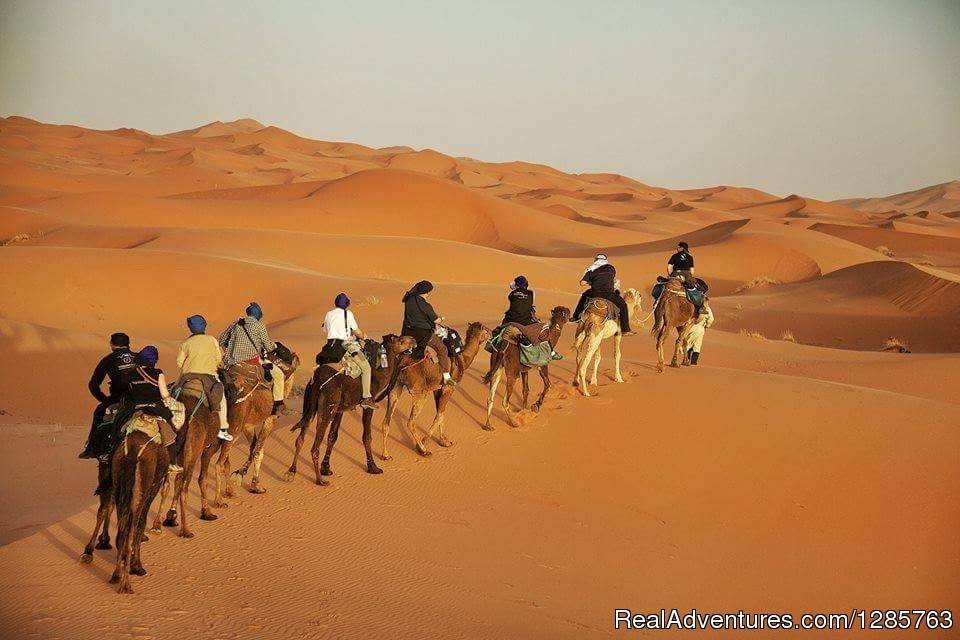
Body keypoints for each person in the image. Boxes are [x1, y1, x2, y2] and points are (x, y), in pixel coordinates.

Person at [219, 302, 286, 415]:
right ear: (258, 315)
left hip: (233, 362)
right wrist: (275, 346)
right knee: (279, 374)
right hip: (254, 361)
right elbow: (268, 347)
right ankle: (278, 405)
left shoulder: (236, 323)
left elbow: (221, 340)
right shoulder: (259, 325)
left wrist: (232, 347)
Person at [79, 332, 138, 459]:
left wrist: (105, 400)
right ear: (128, 344)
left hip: (118, 399)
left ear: (112, 345)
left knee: (99, 413)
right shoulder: (139, 357)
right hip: (140, 398)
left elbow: (93, 385)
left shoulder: (108, 360)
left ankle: (91, 449)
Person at [124, 346, 181, 472]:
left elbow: (127, 392)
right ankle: (172, 463)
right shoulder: (157, 373)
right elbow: (165, 394)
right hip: (154, 408)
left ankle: (108, 453)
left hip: (134, 408)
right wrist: (170, 402)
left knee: (118, 424)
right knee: (171, 429)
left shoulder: (130, 373)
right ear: (154, 359)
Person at [177, 315, 232, 442]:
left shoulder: (186, 343)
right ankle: (222, 428)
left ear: (190, 328)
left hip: (187, 376)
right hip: (209, 377)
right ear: (204, 326)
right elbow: (219, 358)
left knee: (173, 391)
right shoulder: (212, 340)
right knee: (221, 398)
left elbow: (179, 362)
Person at [323, 293, 375, 409]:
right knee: (366, 368)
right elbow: (357, 331)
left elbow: (325, 329)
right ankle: (366, 397)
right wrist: (364, 337)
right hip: (347, 345)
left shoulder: (329, 314)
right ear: (347, 303)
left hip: (331, 346)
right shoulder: (348, 314)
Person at [401, 280, 454, 385]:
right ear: (427, 292)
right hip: (423, 335)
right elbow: (436, 320)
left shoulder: (408, 299)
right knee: (442, 349)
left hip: (407, 332)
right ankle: (447, 377)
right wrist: (442, 318)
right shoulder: (426, 306)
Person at [571, 254, 634, 335]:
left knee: (583, 296)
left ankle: (576, 317)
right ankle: (625, 329)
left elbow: (582, 283)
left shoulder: (591, 269)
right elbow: (610, 278)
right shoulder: (611, 268)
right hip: (609, 294)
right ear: (605, 261)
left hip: (594, 293)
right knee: (623, 305)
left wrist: (591, 281)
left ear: (596, 260)